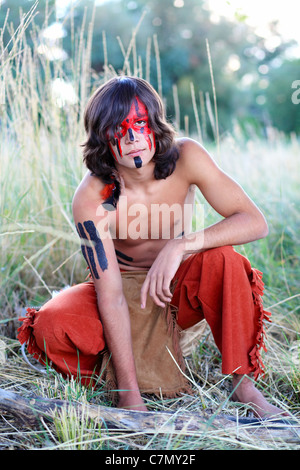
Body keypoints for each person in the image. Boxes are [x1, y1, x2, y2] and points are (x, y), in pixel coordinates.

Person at [18, 75, 286, 418]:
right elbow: (110, 294)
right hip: (123, 288)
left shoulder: (186, 156)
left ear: (154, 123)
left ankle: (242, 386)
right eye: (119, 129)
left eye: (139, 123)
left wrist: (179, 246)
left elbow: (253, 221)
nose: (131, 138)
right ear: (103, 137)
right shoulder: (91, 197)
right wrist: (130, 397)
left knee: (225, 260)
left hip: (175, 286)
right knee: (51, 325)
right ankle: (120, 374)